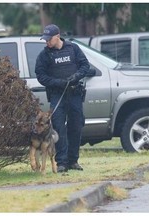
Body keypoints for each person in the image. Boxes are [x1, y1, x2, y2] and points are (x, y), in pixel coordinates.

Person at [35, 24, 90, 172]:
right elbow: (40, 75)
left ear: (57, 36)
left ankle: (73, 161)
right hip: (57, 94)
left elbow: (85, 66)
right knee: (58, 128)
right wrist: (57, 83)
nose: (47, 42)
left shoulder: (73, 48)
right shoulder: (45, 55)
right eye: (45, 39)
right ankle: (61, 162)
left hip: (74, 94)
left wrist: (76, 77)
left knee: (76, 127)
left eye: (49, 39)